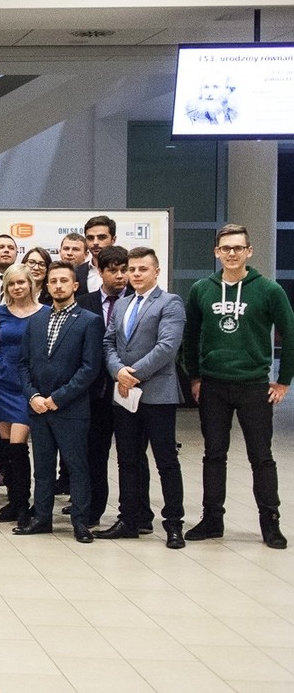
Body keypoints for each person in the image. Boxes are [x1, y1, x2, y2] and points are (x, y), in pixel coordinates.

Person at [180, 225, 291, 549]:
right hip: (214, 384)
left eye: (238, 248)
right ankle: (212, 519)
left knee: (261, 456)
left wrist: (284, 381)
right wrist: (195, 376)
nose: (231, 253)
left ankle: (270, 522)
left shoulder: (269, 290)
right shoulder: (202, 289)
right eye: (225, 248)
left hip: (254, 385)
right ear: (217, 252)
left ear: (248, 251)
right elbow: (190, 336)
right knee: (213, 455)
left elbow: (290, 333)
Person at [97, 247, 186, 547]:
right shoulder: (122, 304)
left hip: (157, 394)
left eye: (142, 269)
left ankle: (173, 523)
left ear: (156, 272)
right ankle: (129, 519)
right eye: (131, 269)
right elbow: (108, 343)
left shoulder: (170, 303)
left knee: (166, 461)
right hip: (124, 394)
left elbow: (167, 347)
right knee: (127, 460)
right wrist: (117, 370)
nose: (135, 274)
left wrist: (132, 374)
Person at [13, 261, 102, 543]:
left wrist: (57, 398)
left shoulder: (89, 321)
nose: (58, 286)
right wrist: (33, 396)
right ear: (47, 286)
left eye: (64, 281)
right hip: (39, 407)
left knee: (77, 467)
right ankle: (42, 518)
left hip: (70, 408)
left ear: (75, 285)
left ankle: (80, 522)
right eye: (53, 281)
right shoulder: (36, 320)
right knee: (43, 468)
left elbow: (89, 368)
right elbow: (23, 364)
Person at [74, 244, 129, 528]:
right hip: (94, 392)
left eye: (124, 270)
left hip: (130, 388)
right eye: (113, 270)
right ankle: (92, 511)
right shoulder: (84, 303)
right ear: (100, 271)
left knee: (131, 456)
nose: (120, 276)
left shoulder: (136, 300)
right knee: (94, 454)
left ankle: (136, 514)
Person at [0, 264, 44, 526]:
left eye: (21, 282)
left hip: (27, 384)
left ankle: (23, 504)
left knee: (18, 445)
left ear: (31, 283)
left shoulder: (44, 312)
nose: (17, 287)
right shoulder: (0, 312)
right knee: (6, 446)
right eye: (11, 283)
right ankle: (12, 501)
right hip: (2, 381)